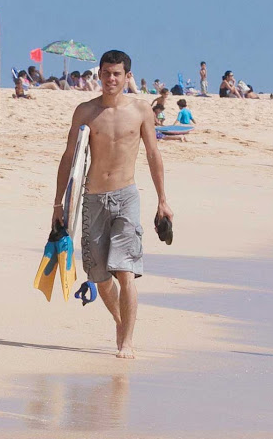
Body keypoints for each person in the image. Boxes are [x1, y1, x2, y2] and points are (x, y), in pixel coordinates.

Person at [51, 50, 173, 359]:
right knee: (99, 277)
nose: (111, 79)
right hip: (92, 199)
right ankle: (121, 321)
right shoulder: (86, 111)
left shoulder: (142, 111)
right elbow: (70, 157)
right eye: (106, 73)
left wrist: (163, 200)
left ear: (127, 76)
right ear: (100, 75)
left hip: (126, 197)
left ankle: (126, 342)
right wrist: (58, 204)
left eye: (117, 74)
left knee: (125, 271)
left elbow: (153, 154)